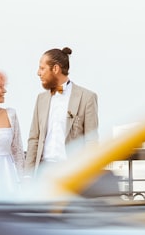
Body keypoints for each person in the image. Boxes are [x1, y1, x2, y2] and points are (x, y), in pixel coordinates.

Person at [25, 47, 98, 176]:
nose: (38, 73)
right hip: (43, 173)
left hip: (72, 173)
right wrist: (27, 175)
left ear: (55, 69)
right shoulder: (40, 99)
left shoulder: (87, 97)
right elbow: (34, 139)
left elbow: (91, 141)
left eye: (42, 68)